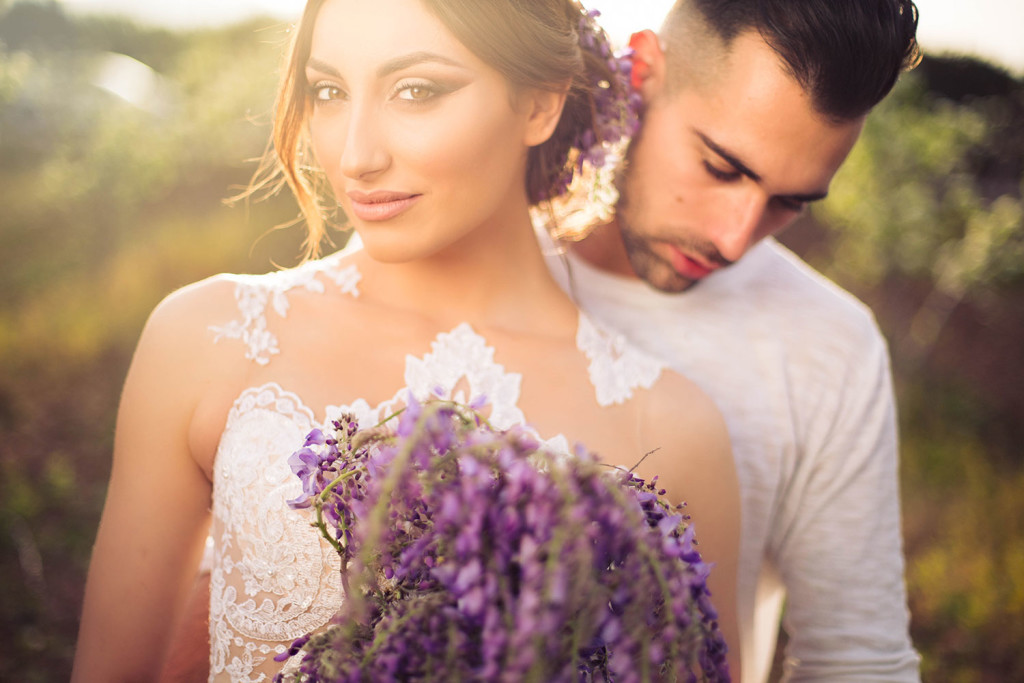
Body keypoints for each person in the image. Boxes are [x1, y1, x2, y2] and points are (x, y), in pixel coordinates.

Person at [71, 1, 742, 682]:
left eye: (416, 90)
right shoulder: (205, 338)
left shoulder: (673, 429)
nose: (356, 155)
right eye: (328, 90)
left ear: (541, 103)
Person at [538, 0, 923, 681]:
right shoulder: (472, 249)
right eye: (722, 167)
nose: (735, 237)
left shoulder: (830, 345)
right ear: (646, 71)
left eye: (789, 202)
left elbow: (858, 659)